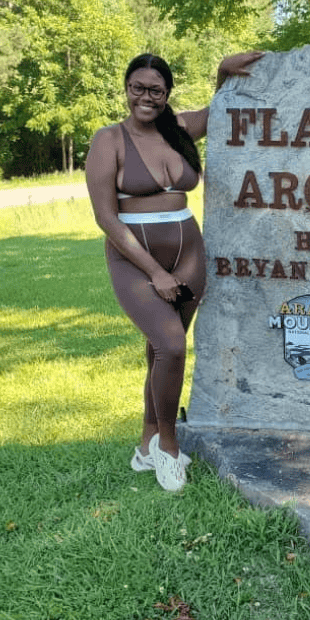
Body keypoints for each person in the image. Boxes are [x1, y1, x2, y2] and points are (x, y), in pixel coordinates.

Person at [86, 51, 263, 491]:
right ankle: (168, 447)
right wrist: (155, 273)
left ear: (167, 94)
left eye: (156, 90)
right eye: (138, 88)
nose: (146, 97)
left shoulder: (178, 128)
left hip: (188, 253)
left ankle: (146, 443)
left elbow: (218, 112)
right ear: (127, 89)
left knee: (159, 350)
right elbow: (106, 218)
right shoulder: (108, 140)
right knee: (171, 345)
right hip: (133, 258)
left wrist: (222, 72)